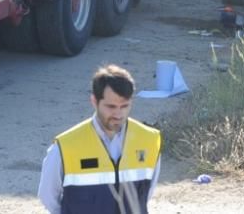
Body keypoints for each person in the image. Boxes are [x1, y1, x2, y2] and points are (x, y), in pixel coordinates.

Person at [38, 65, 161, 214]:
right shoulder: (65, 147)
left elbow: (145, 195)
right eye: (111, 106)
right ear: (94, 101)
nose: (118, 114)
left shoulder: (149, 140)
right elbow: (48, 196)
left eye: (124, 106)